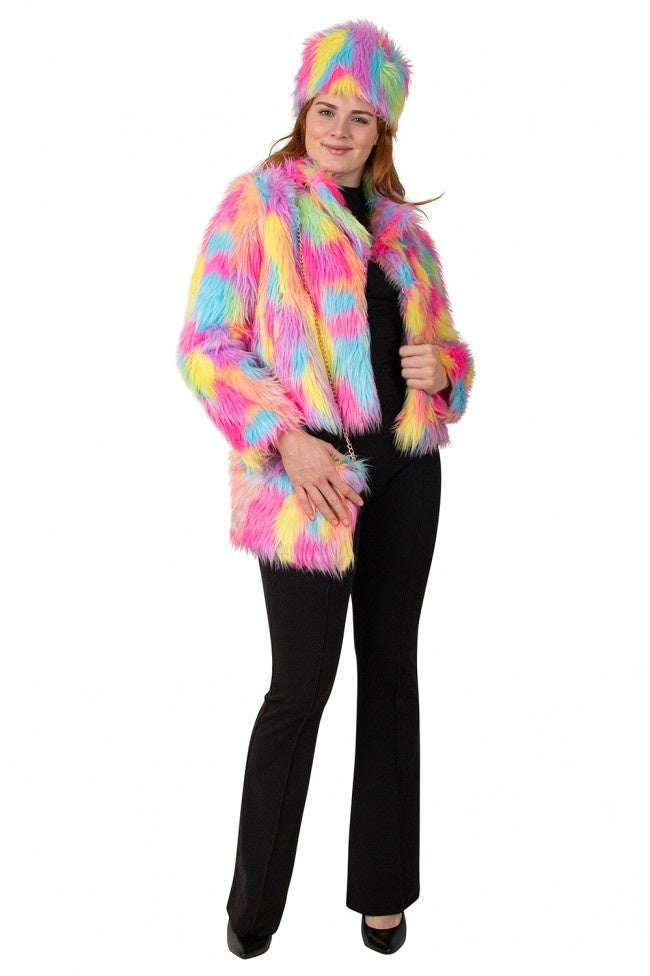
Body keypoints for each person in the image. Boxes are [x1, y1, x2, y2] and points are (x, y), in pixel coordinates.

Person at [176, 18, 475, 958]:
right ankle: (253, 906)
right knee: (299, 686)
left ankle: (384, 894)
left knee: (390, 674)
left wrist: (444, 371)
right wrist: (287, 441)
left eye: (361, 117)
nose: (340, 130)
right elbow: (206, 349)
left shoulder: (405, 233)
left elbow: (449, 356)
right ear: (302, 112)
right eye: (326, 110)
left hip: (406, 471)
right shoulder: (257, 208)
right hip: (307, 481)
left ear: (384, 130)